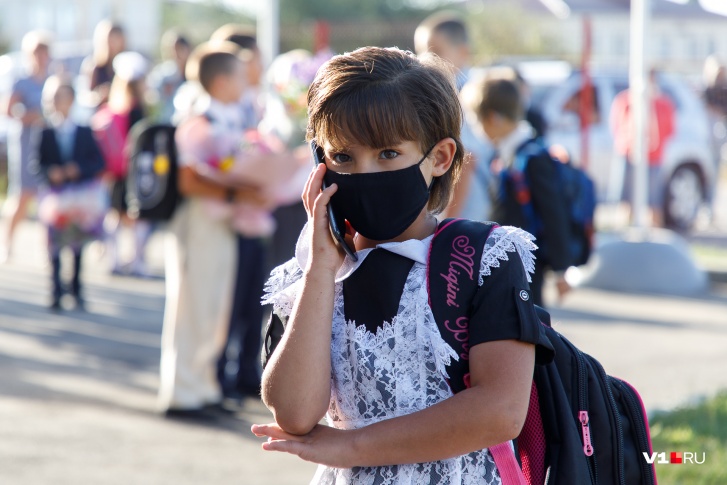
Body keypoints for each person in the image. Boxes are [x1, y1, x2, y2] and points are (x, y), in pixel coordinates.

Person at [251, 46, 553, 483]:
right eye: (343, 157)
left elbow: (500, 411)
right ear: (319, 163)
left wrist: (350, 447)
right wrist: (320, 270)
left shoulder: (482, 257)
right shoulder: (305, 276)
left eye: (388, 154)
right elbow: (295, 413)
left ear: (440, 158)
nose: (366, 173)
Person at [158, 42, 293, 417]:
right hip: (200, 221)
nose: (245, 79)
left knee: (217, 309)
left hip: (225, 222)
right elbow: (189, 180)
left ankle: (204, 387)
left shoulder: (235, 120)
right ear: (219, 81)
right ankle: (182, 392)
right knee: (193, 307)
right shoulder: (197, 122)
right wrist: (239, 190)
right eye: (237, 73)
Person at [465, 75, 572, 307]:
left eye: (476, 121)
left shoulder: (532, 158)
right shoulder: (505, 154)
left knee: (530, 325)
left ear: (493, 118)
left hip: (529, 264)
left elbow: (553, 214)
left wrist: (561, 270)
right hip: (508, 260)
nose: (475, 129)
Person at [35, 76, 106, 310]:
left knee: (77, 243)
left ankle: (76, 289)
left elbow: (97, 162)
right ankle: (55, 290)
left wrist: (79, 170)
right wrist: (50, 173)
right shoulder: (45, 131)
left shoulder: (84, 131)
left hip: (80, 196)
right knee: (55, 244)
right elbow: (36, 166)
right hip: (55, 198)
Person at [91, 51, 151, 276]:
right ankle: (133, 260)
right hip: (132, 171)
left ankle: (114, 259)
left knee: (115, 215)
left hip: (116, 170)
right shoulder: (137, 109)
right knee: (134, 216)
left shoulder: (115, 106)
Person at [1, 31, 52, 263]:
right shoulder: (21, 80)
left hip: (46, 143)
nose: (40, 56)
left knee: (46, 197)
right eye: (36, 52)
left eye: (44, 51)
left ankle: (47, 248)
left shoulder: (52, 79)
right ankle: (7, 243)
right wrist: (29, 115)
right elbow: (8, 109)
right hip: (24, 142)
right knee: (21, 195)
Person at [609, 70, 675, 227]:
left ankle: (654, 234)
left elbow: (669, 129)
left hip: (654, 157)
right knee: (625, 200)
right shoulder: (626, 100)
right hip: (628, 153)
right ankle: (624, 232)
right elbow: (616, 125)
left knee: (653, 201)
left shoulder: (663, 103)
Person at [148, 30, 191, 124]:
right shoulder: (162, 75)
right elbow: (152, 99)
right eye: (171, 50)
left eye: (179, 49)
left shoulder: (194, 72)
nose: (175, 54)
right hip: (166, 122)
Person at [81, 20, 126, 106]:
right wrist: (99, 95)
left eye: (117, 37)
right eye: (112, 37)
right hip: (100, 114)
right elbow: (84, 95)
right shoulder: (94, 66)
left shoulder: (127, 65)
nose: (114, 43)